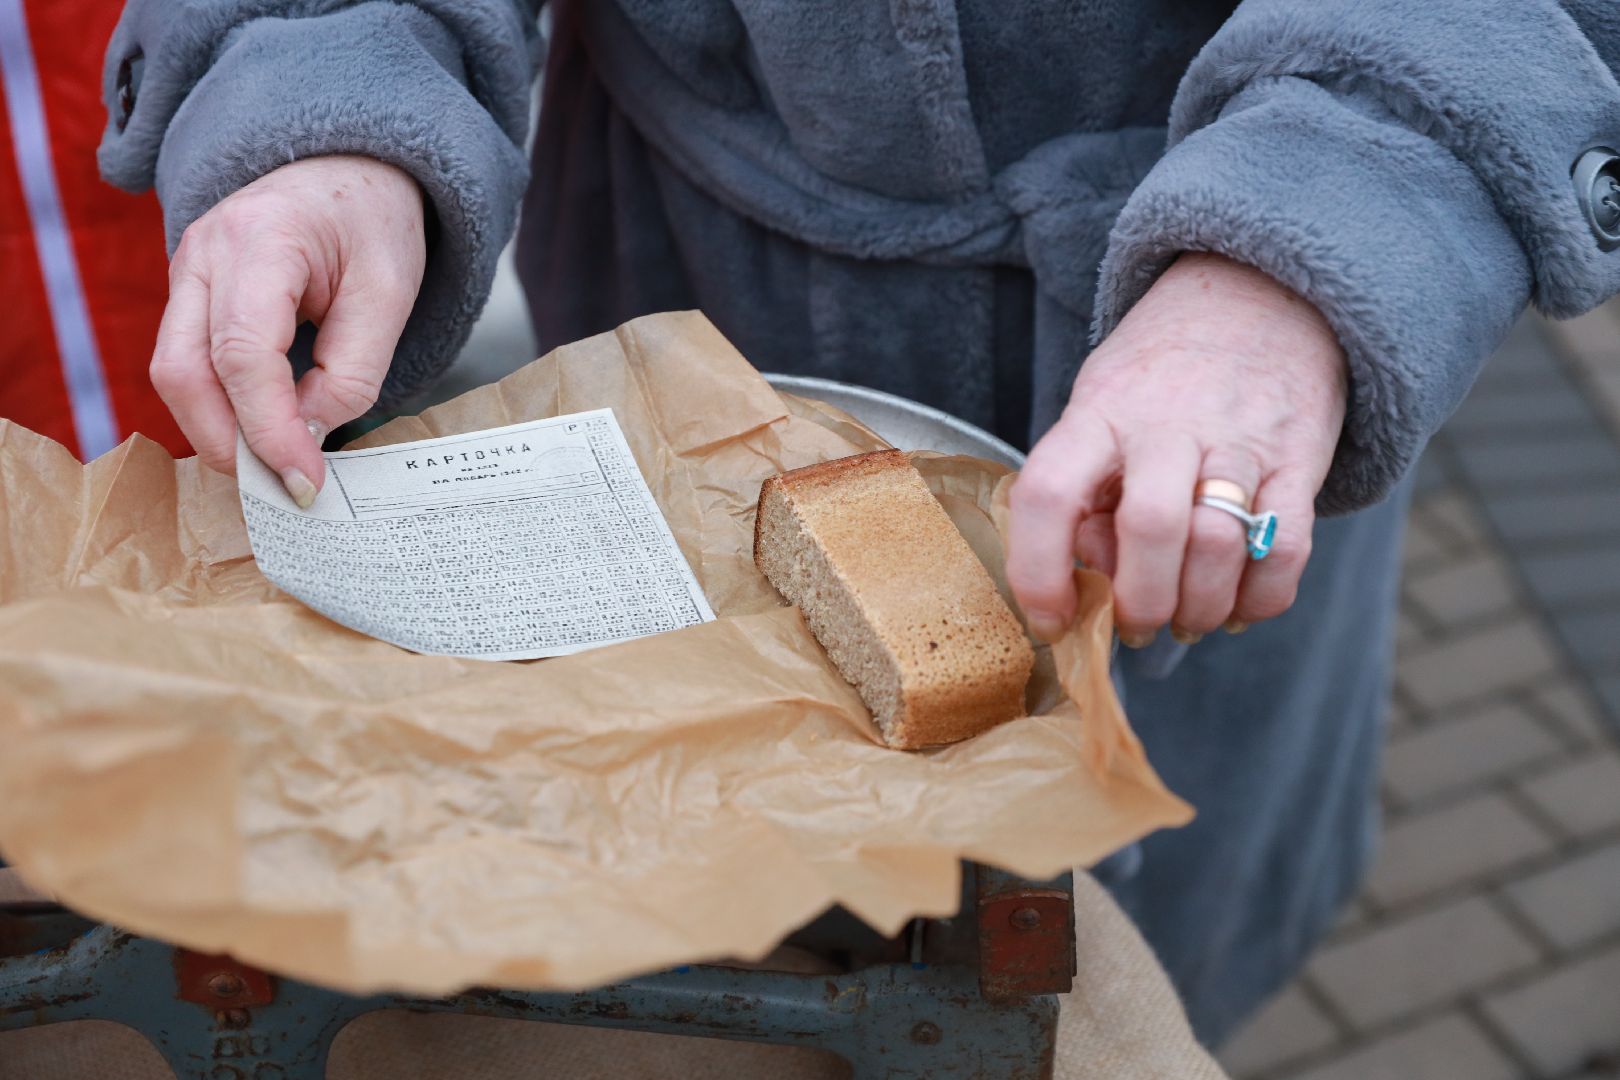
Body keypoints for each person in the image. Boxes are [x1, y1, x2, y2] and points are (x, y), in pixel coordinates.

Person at [94, 0, 1620, 1044]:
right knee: (753, 961)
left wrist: (1322, 225)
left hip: (1228, 367)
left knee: (1161, 965)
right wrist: (317, 88)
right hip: (695, 284)